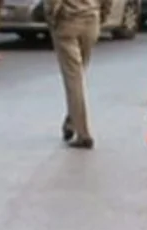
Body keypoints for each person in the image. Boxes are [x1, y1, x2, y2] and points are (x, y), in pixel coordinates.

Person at [45, 0, 110, 149]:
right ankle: (72, 121)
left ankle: (83, 133)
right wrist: (102, 15)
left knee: (73, 79)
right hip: (91, 21)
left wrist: (52, 19)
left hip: (68, 21)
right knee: (78, 75)